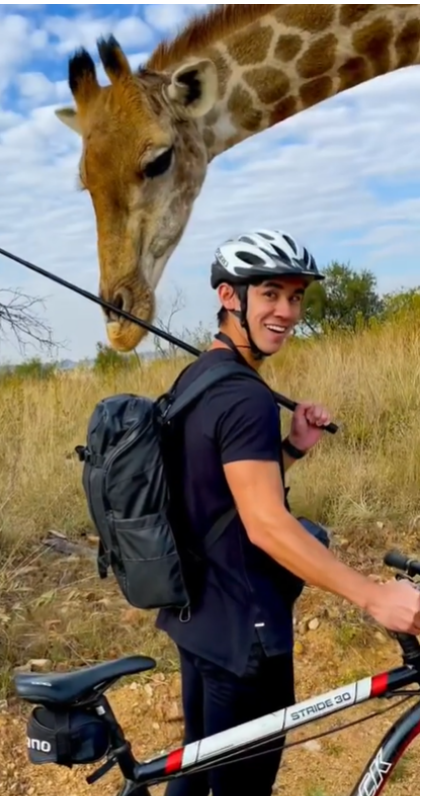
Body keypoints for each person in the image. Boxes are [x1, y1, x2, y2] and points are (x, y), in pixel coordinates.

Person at [156, 230, 420, 796]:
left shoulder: (197, 378)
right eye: (271, 294)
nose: (287, 312)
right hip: (246, 635)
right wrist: (374, 596)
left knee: (196, 780)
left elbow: (223, 494)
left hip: (200, 621)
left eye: (295, 297)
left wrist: (293, 448)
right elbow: (266, 525)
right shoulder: (245, 396)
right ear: (229, 296)